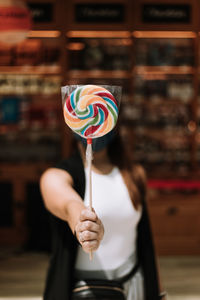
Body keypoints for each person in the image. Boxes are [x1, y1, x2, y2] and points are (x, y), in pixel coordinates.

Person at [40, 128, 166, 300]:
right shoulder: (55, 176)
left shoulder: (134, 174)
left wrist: (159, 292)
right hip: (83, 290)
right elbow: (69, 205)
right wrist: (83, 224)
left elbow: (145, 240)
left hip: (133, 284)